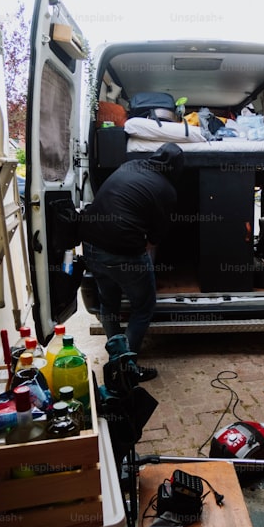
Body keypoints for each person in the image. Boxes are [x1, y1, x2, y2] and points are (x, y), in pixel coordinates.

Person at [79, 143, 181, 381]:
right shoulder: (166, 190)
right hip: (121, 252)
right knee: (143, 307)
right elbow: (154, 239)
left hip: (91, 245)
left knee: (109, 303)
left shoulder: (130, 165)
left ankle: (116, 359)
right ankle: (126, 370)